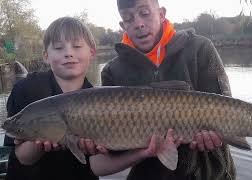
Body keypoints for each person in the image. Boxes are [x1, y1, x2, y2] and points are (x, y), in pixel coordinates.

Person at [3, 16, 181, 180]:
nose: (68, 53)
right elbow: (23, 157)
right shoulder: (27, 88)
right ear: (46, 56)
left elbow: (97, 166)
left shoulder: (98, 97)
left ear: (92, 52)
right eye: (58, 48)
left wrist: (143, 153)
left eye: (77, 46)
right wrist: (41, 141)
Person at [101, 0, 236, 179]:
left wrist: (217, 136)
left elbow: (226, 110)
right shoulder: (112, 72)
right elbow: (116, 149)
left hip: (210, 174)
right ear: (122, 25)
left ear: (161, 14)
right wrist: (99, 143)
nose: (138, 24)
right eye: (128, 18)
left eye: (145, 13)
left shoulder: (200, 49)